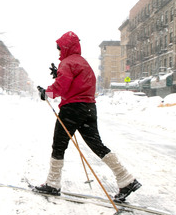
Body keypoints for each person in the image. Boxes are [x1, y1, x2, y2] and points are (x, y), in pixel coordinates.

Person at [35, 31, 141, 203]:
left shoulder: (67, 63)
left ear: (66, 47)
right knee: (97, 145)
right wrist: (59, 75)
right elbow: (79, 84)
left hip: (71, 109)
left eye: (60, 49)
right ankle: (126, 179)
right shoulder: (83, 63)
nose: (59, 52)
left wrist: (46, 92)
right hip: (89, 108)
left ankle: (53, 184)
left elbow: (61, 88)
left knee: (59, 145)